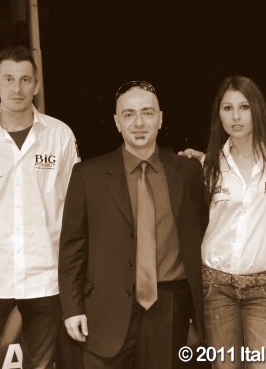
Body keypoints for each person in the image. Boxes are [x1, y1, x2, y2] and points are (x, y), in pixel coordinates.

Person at [58, 80, 209, 369]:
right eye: (129, 114)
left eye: (147, 113)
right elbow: (72, 248)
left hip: (170, 308)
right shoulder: (87, 175)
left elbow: (207, 227)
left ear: (160, 118)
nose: (139, 123)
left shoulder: (189, 172)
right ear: (117, 122)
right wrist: (72, 308)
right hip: (105, 308)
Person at [0, 46, 80, 369]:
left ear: (36, 85)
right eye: (8, 79)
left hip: (46, 276)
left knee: (42, 366)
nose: (17, 88)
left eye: (25, 79)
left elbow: (75, 208)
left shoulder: (60, 134)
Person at [201, 76, 266, 369]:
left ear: (257, 109)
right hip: (216, 287)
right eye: (227, 108)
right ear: (218, 114)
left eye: (244, 107)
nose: (236, 116)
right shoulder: (208, 164)